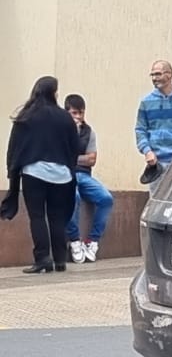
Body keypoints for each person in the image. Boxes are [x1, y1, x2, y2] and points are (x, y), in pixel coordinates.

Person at [3, 77, 83, 274]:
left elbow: (14, 146)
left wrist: (12, 170)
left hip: (34, 173)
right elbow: (75, 148)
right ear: (53, 93)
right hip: (62, 176)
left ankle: (42, 259)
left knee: (37, 216)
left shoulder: (27, 116)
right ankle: (60, 260)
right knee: (57, 217)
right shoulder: (65, 118)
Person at [63, 94, 114, 264]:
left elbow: (91, 159)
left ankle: (92, 242)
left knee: (106, 198)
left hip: (84, 175)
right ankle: (75, 241)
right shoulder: (60, 130)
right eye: (74, 113)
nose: (78, 117)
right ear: (66, 113)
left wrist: (71, 156)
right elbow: (59, 157)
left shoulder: (88, 132)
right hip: (66, 174)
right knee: (73, 197)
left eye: (81, 113)